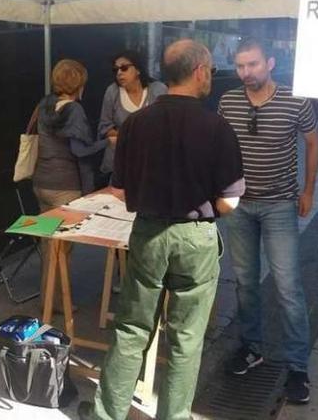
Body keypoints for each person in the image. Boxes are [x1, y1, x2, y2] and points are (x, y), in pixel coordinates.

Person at [79, 40, 245, 420]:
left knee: (131, 329)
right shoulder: (217, 127)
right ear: (201, 70)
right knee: (186, 338)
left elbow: (119, 189)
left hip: (147, 234)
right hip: (195, 236)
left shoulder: (135, 124)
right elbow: (230, 203)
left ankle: (108, 414)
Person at [217, 38, 318, 404]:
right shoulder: (228, 101)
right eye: (241, 66)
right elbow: (220, 145)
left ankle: (297, 366)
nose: (246, 72)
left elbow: (312, 142)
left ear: (271, 63)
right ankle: (251, 347)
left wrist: (307, 190)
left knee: (288, 287)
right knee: (245, 283)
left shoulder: (296, 99)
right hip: (239, 206)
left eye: (254, 64)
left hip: (279, 205)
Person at [32, 59, 109, 309]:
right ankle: (58, 303)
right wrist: (108, 142)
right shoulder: (74, 111)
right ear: (79, 84)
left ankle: (47, 299)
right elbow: (80, 151)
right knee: (62, 249)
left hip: (42, 182)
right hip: (65, 186)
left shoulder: (45, 105)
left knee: (48, 244)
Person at [97, 50, 167, 178]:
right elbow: (104, 128)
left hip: (152, 161)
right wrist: (134, 135)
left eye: (124, 68)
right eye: (116, 69)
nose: (119, 73)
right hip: (119, 164)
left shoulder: (158, 90)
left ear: (138, 69)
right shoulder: (112, 91)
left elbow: (168, 125)